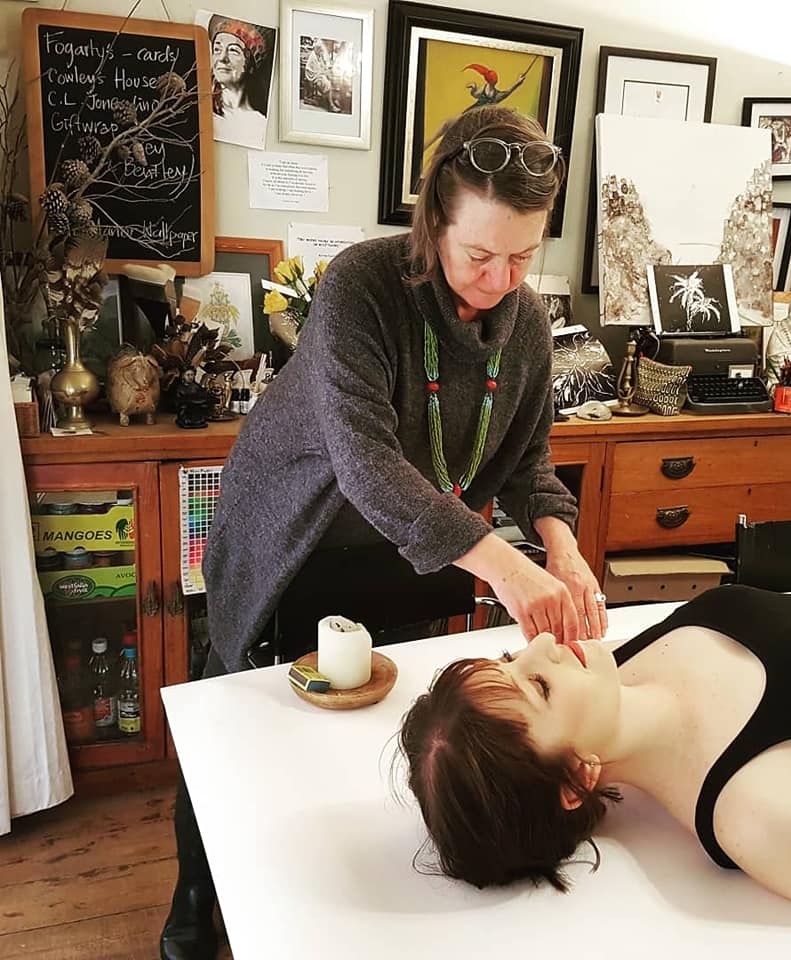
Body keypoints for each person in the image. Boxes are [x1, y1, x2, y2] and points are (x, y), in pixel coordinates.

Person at [160, 104, 606, 959]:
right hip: (292, 535)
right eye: (479, 255)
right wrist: (508, 569)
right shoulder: (362, 285)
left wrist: (562, 548)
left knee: (389, 717)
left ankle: (336, 888)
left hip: (413, 543)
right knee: (234, 716)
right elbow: (364, 462)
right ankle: (194, 888)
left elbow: (528, 460)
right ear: (433, 219)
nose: (500, 279)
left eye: (522, 256)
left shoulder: (527, 322)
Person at [399, 580, 791, 908]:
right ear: (575, 779)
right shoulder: (756, 814)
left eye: (510, 659)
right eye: (540, 687)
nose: (542, 643)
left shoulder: (610, 669)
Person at [208, 16, 270, 150]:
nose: (222, 58)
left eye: (233, 50)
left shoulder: (260, 124)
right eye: (217, 49)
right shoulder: (202, 108)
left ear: (250, 65)